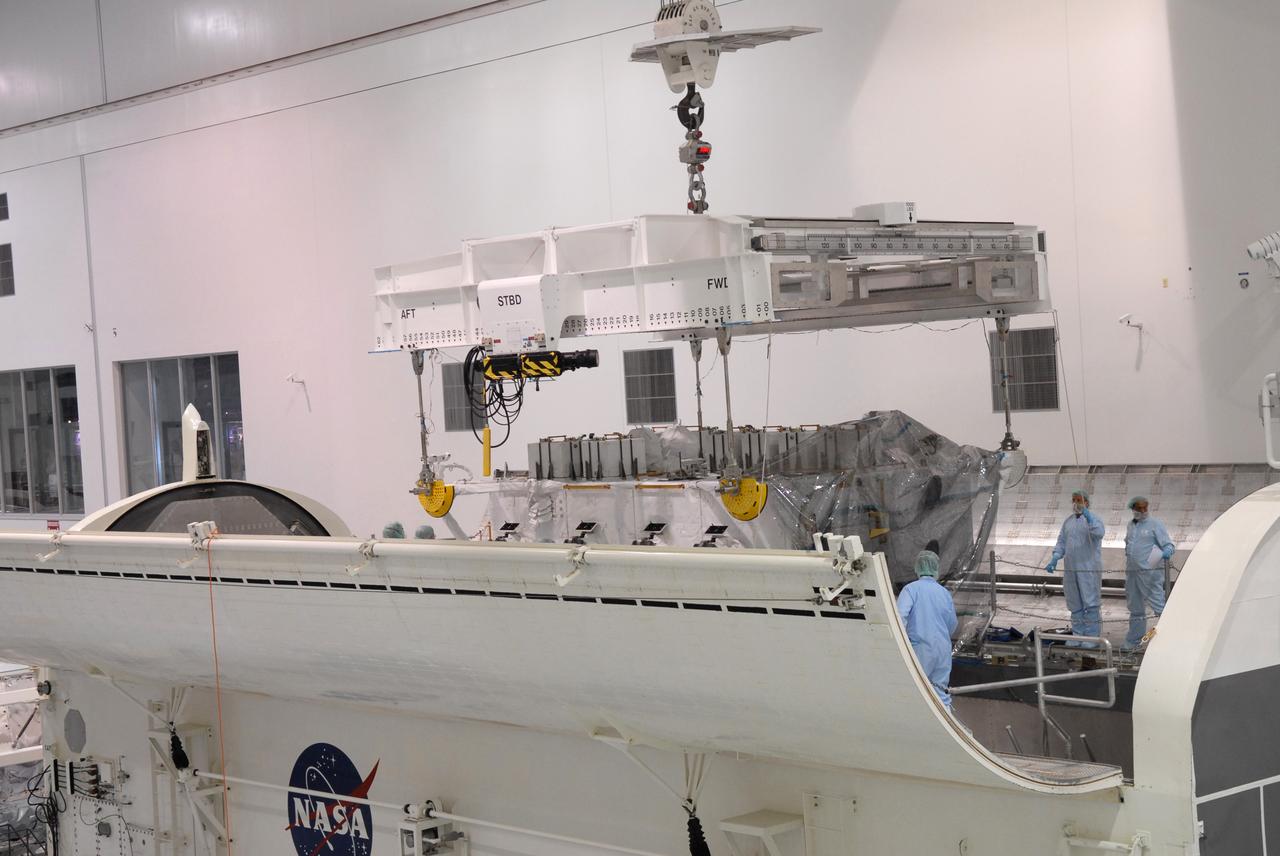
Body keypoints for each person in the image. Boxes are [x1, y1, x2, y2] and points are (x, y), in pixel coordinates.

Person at [897, 550, 958, 709]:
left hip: (920, 649)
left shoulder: (911, 589)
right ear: (936, 568)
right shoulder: (944, 593)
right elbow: (952, 623)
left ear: (917, 567)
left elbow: (899, 617)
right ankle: (947, 725)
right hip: (943, 649)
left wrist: (902, 642)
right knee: (941, 692)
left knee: (917, 691)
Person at [1046, 489, 1105, 641]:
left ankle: (1092, 638)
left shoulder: (1094, 520)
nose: (1076, 503)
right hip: (1070, 569)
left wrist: (1089, 517)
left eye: (1079, 500)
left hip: (1088, 569)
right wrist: (1055, 557)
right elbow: (1062, 542)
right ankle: (1078, 636)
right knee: (1075, 604)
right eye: (1074, 500)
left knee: (1091, 604)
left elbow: (1099, 533)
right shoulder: (1068, 522)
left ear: (1086, 502)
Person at [1123, 496, 1175, 649]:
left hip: (1149, 573)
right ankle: (1134, 640)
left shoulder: (1155, 524)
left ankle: (1169, 640)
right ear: (1133, 509)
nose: (1143, 511)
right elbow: (1128, 544)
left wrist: (1167, 551)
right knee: (1135, 608)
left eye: (1145, 507)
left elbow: (1168, 544)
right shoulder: (1131, 525)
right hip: (1132, 572)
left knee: (1159, 606)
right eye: (1139, 508)